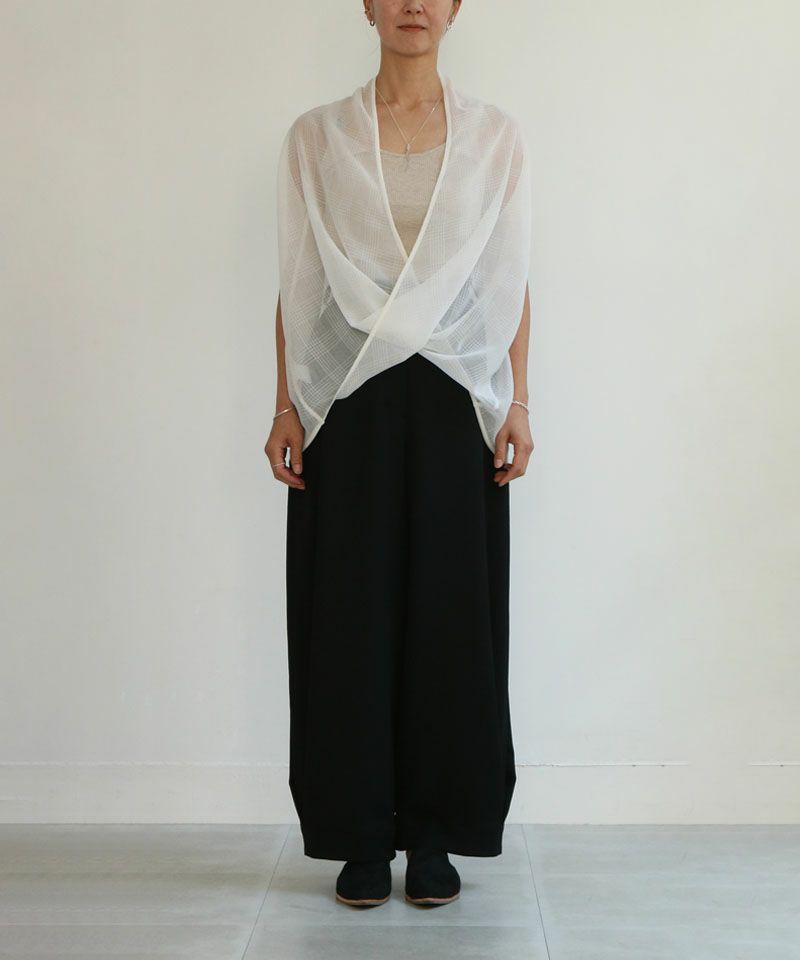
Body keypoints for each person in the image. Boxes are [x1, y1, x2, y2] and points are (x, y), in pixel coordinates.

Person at [265, 0, 533, 908]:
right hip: (349, 398)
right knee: (349, 612)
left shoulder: (494, 137)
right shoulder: (317, 138)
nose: (413, 3)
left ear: (455, 8)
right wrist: (286, 405)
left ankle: (435, 832)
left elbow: (508, 278)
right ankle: (358, 833)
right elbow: (299, 281)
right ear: (368, 7)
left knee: (452, 615)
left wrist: (517, 401)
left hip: (458, 396)